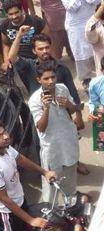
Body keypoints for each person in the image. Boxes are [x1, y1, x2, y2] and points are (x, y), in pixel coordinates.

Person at [28, 62, 82, 201]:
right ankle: (50, 217)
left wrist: (68, 104)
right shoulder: (34, 100)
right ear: (39, 80)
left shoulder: (62, 88)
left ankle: (71, 210)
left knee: (70, 183)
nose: (51, 81)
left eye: (53, 77)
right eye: (46, 78)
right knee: (51, 186)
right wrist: (46, 108)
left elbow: (73, 109)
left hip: (68, 142)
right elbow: (41, 128)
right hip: (52, 148)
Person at [56, 0, 102, 84]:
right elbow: (71, 8)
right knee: (81, 54)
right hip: (75, 24)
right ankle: (87, 81)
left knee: (98, 49)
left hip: (92, 19)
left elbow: (97, 0)